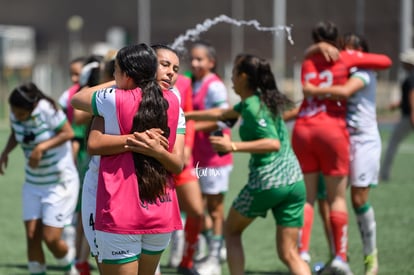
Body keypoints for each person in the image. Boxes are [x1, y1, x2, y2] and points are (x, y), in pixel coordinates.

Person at [186, 53, 311, 275]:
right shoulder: (257, 100)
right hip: (294, 182)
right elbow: (220, 113)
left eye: (233, 73)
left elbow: (272, 143)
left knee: (231, 232)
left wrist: (231, 146)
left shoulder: (253, 107)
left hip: (269, 182)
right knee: (289, 253)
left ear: (244, 76)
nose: (231, 79)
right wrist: (184, 115)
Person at [71, 43, 184, 275]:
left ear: (126, 72)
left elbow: (78, 100)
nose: (171, 72)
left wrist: (120, 81)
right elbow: (177, 164)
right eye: (164, 65)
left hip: (119, 211)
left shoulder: (114, 99)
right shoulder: (174, 103)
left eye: (116, 70)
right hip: (160, 209)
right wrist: (151, 147)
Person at [292, 21, 391, 275]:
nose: (339, 53)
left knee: (357, 199)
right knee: (327, 199)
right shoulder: (337, 66)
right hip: (338, 137)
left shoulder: (361, 72)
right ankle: (338, 256)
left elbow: (344, 92)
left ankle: (370, 258)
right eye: (340, 48)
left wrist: (315, 89)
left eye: (347, 50)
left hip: (363, 140)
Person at [0, 82, 80, 275]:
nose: (16, 116)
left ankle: (70, 269)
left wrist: (40, 148)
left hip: (60, 182)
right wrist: (5, 152)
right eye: (14, 112)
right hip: (33, 183)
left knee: (50, 238)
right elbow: (17, 133)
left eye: (20, 113)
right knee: (31, 235)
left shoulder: (47, 110)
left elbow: (68, 133)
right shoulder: (16, 113)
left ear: (32, 107)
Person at [188, 40, 233, 275]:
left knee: (214, 209)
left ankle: (214, 257)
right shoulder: (194, 84)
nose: (194, 63)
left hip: (215, 158)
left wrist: (192, 128)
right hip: (197, 156)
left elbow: (226, 118)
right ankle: (210, 247)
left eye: (200, 59)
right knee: (196, 207)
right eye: (192, 59)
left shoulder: (215, 86)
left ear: (211, 62)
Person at [380, 48, 414, 181]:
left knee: (393, 143)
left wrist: (412, 113)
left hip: (408, 117)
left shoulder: (411, 78)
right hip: (408, 114)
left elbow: (412, 95)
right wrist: (399, 104)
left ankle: (384, 174)